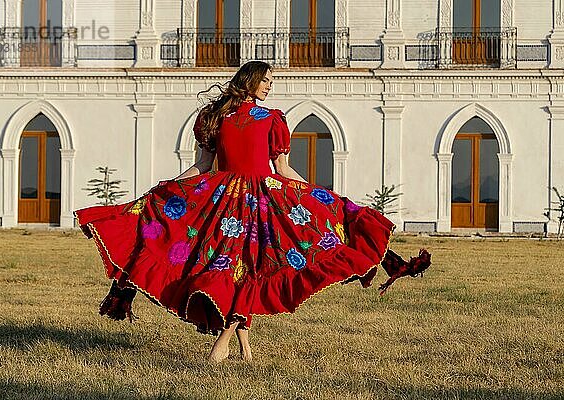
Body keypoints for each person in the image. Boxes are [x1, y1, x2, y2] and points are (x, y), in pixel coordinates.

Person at [74, 61, 431, 363]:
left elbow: (271, 170)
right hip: (233, 200)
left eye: (272, 83)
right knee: (241, 264)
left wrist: (313, 193)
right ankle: (225, 342)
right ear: (251, 81)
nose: (270, 88)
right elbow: (206, 165)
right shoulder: (227, 118)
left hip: (253, 198)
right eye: (267, 81)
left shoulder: (258, 118)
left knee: (247, 264)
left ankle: (243, 345)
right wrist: (169, 187)